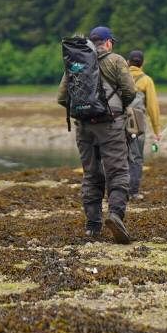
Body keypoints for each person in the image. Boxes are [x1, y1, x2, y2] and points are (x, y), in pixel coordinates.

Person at [58, 27, 137, 243]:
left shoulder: (76, 62)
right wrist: (119, 107)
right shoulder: (116, 60)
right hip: (110, 124)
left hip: (83, 126)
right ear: (108, 42)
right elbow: (131, 91)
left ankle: (93, 225)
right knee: (118, 172)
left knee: (91, 174)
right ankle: (115, 215)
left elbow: (62, 97)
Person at [126, 50, 161, 201]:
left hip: (118, 122)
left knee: (119, 157)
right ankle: (133, 192)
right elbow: (153, 108)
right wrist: (157, 130)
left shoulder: (120, 77)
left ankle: (117, 191)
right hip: (137, 124)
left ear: (128, 62)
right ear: (142, 63)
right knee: (137, 158)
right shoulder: (146, 80)